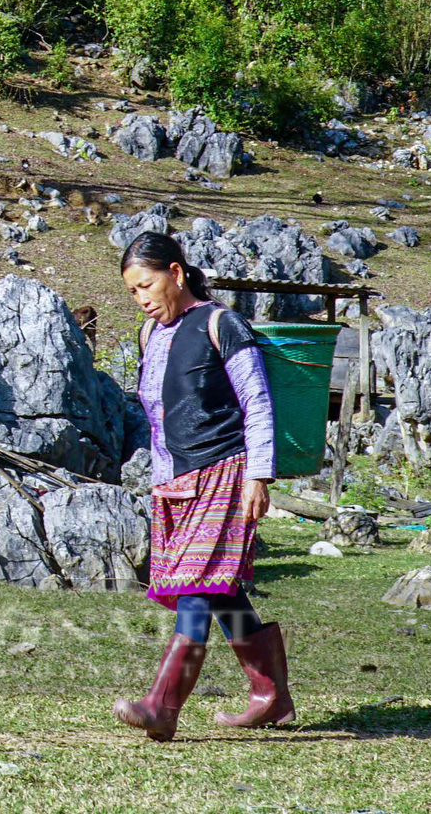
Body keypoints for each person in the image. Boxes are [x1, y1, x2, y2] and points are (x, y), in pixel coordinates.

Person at [111, 231, 294, 741]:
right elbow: (158, 415)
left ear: (175, 272)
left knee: (195, 587)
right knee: (219, 588)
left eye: (147, 285)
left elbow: (257, 401)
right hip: (173, 481)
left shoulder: (221, 323)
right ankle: (271, 695)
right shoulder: (151, 336)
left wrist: (259, 474)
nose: (142, 299)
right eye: (132, 292)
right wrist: (158, 480)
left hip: (224, 472)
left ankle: (162, 705)